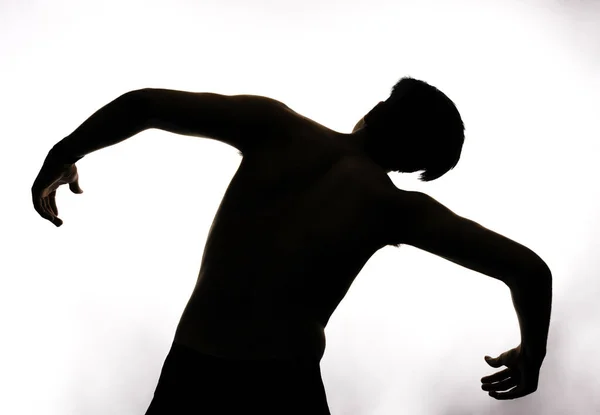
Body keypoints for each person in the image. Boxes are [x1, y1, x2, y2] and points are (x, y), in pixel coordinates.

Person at [31, 77, 552, 414]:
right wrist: (532, 355)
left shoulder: (275, 127)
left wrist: (65, 151)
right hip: (284, 387)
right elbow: (529, 271)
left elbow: (143, 105)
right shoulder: (396, 209)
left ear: (375, 109)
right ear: (414, 167)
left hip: (198, 368)